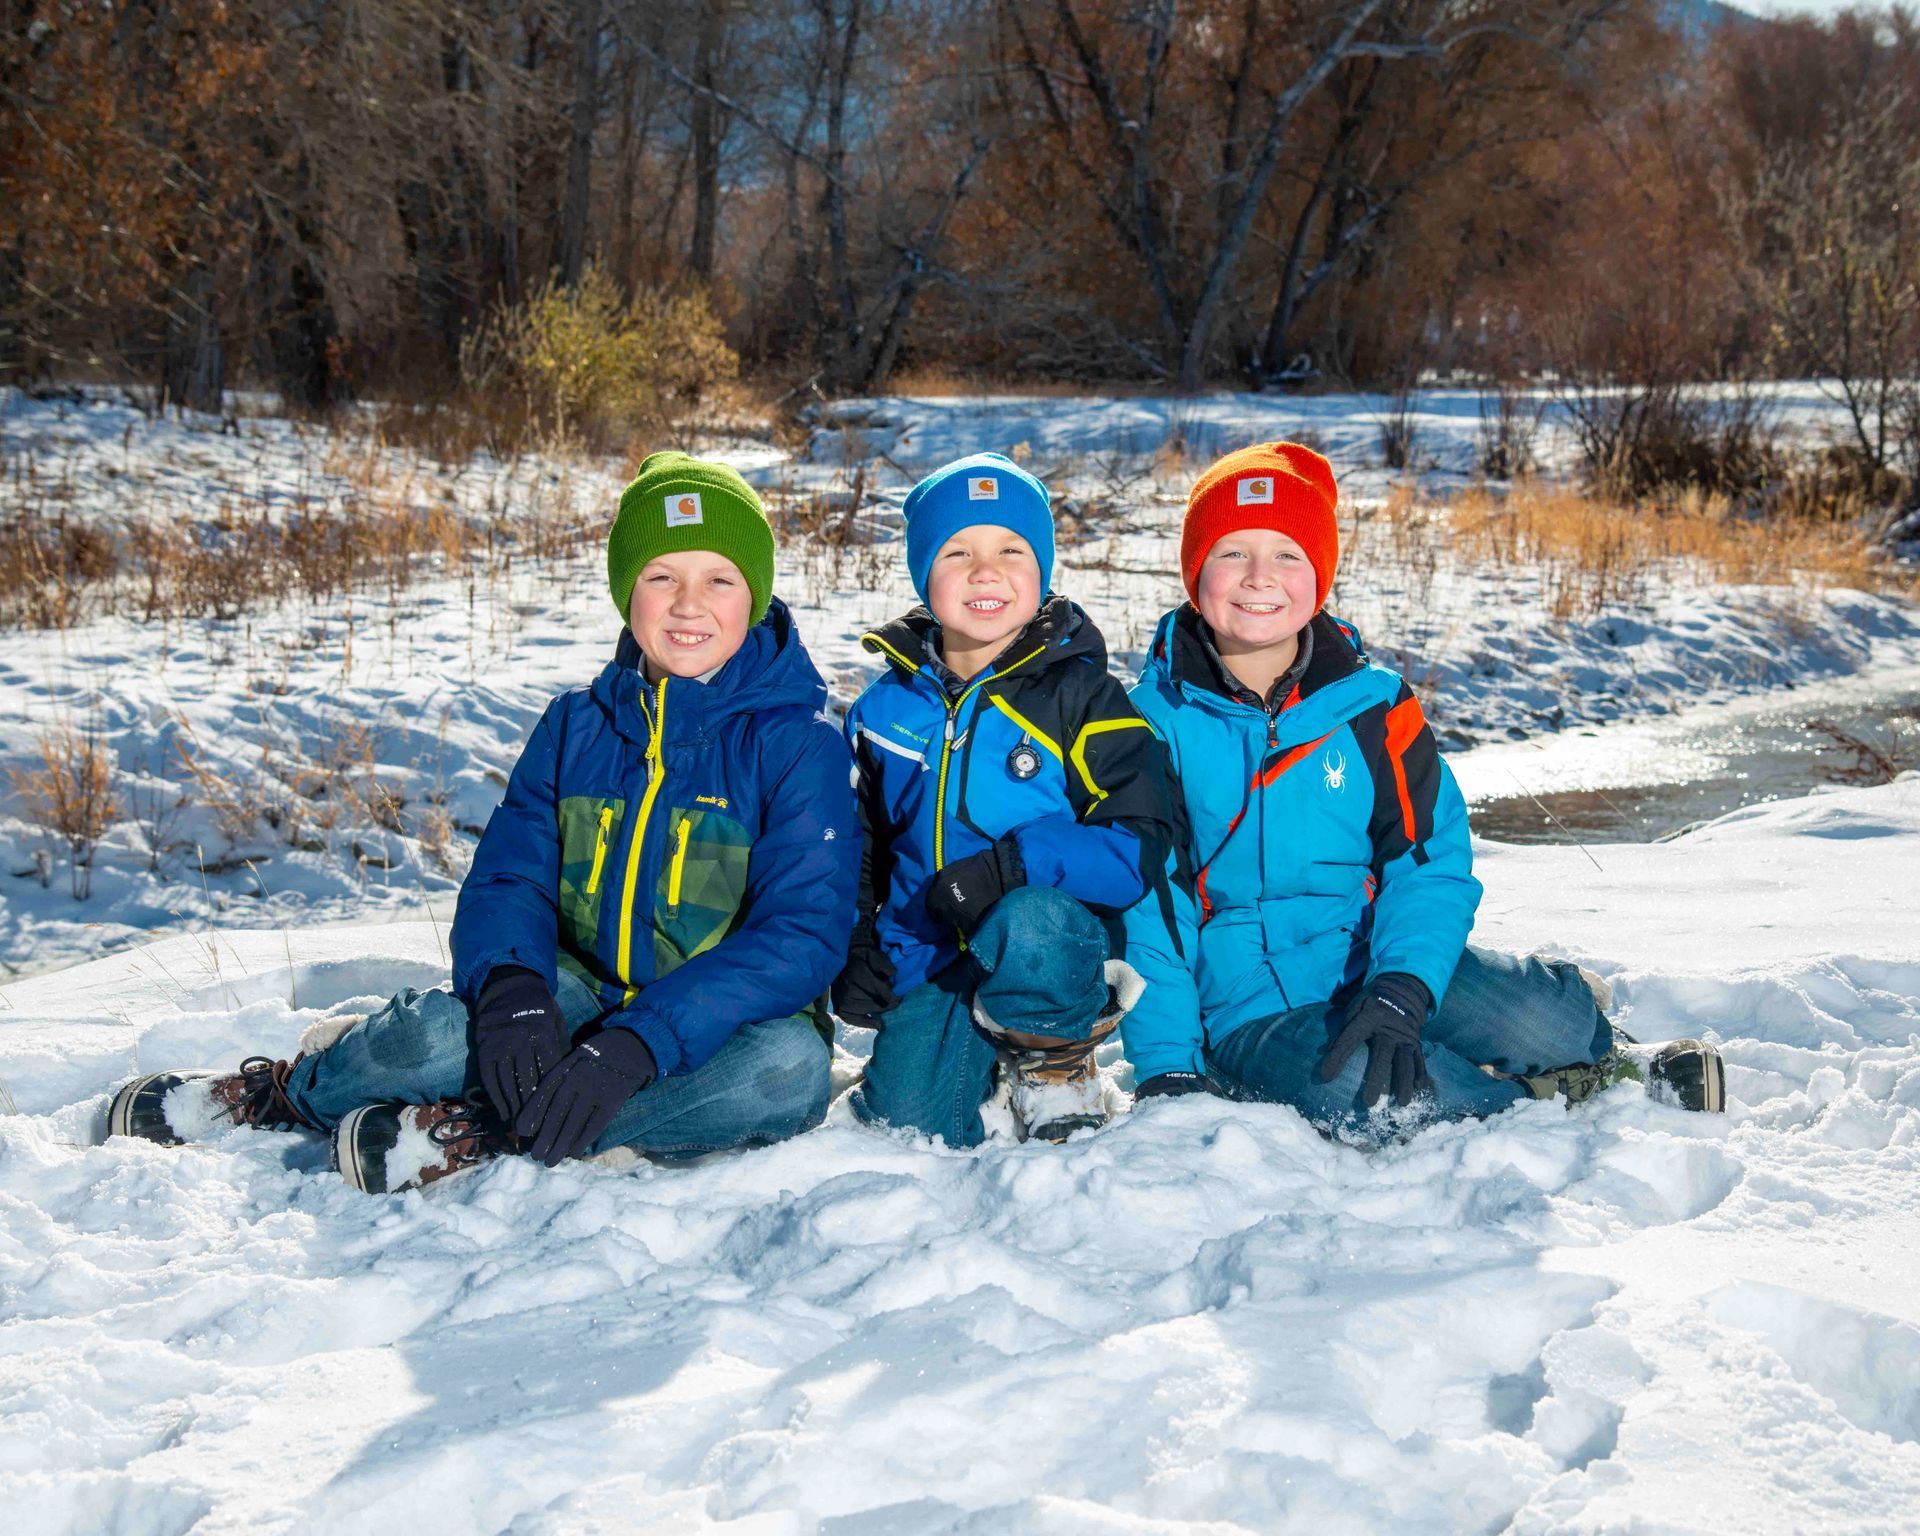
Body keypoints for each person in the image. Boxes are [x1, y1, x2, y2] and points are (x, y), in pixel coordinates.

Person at [110, 452, 862, 1191]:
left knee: (785, 1077)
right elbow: (511, 876)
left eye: (719, 580)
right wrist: (512, 987)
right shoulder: (577, 726)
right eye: (661, 576)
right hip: (577, 990)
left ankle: (485, 1132)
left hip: (718, 1023)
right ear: (626, 591)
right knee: (429, 1037)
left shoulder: (799, 745)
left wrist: (644, 1040)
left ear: (755, 596)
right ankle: (289, 1092)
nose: (688, 604)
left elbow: (801, 931)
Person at [1120, 441, 1724, 1128]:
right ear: (1195, 570)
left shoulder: (1373, 707)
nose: (1261, 577)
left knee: (1540, 1023)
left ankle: (1589, 1041)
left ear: (1318, 573)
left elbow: (1428, 863)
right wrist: (1169, 1064)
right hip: (1248, 1007)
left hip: (1369, 959)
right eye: (1233, 552)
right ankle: (1555, 1103)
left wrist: (1403, 986)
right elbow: (1147, 910)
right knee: (1379, 1093)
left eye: (1288, 553)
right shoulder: (1147, 726)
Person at [835, 452, 1175, 1144]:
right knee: (913, 1126)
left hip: (1046, 945)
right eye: (956, 551)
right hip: (930, 953)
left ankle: (1054, 1059)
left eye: (1010, 550)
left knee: (1033, 919)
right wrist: (859, 942)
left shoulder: (1082, 698)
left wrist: (1012, 868)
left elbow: (1138, 845)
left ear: (1042, 570)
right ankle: (975, 1059)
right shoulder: (884, 711)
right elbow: (859, 846)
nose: (984, 571)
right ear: (923, 573)